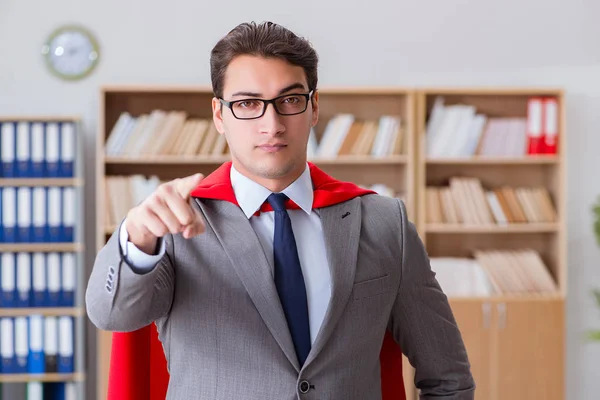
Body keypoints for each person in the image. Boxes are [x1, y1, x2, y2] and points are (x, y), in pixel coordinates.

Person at [86, 21, 475, 400]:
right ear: (220, 115)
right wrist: (136, 237)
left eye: (289, 100)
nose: (271, 125)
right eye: (248, 103)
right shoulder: (172, 224)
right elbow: (112, 315)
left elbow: (448, 378)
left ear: (314, 107)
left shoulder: (383, 223)